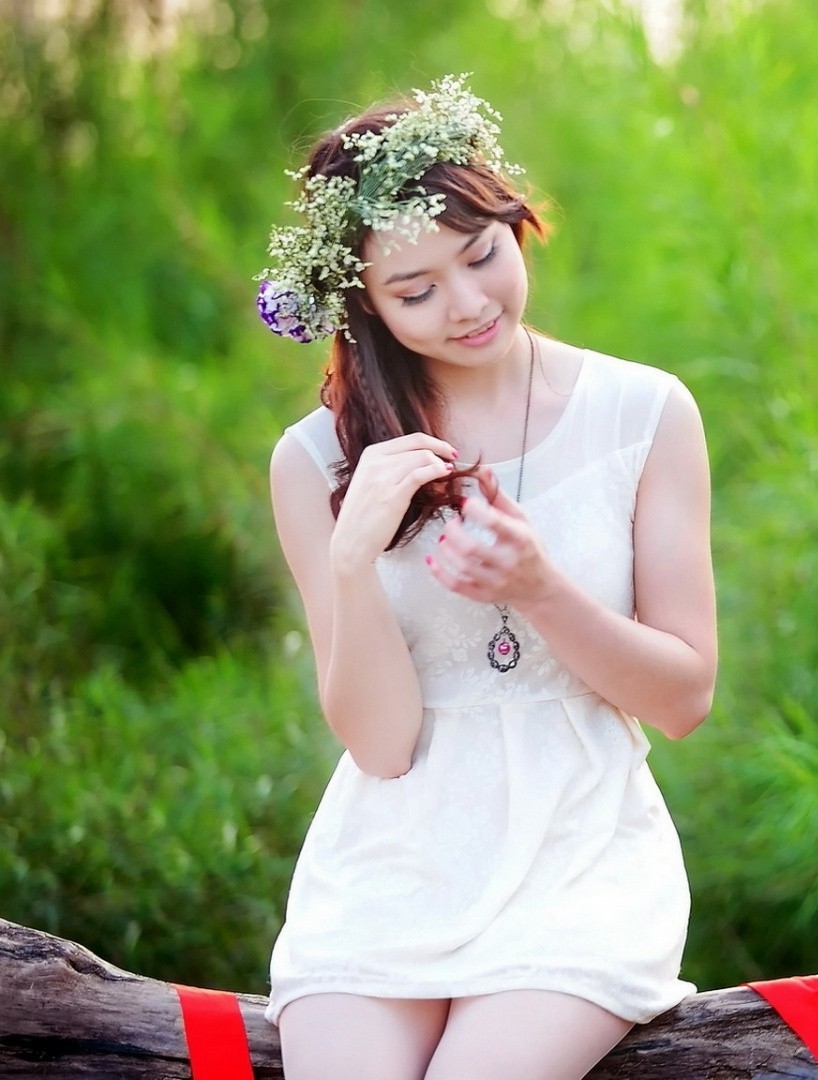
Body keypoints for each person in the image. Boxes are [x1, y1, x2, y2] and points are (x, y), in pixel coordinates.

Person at [257, 74, 715, 1080]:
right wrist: (352, 560)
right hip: (389, 868)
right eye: (416, 292)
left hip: (580, 861)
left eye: (482, 255)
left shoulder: (644, 413)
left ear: (517, 223)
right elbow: (380, 745)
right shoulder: (315, 463)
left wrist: (540, 587)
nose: (468, 305)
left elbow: (684, 699)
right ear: (363, 306)